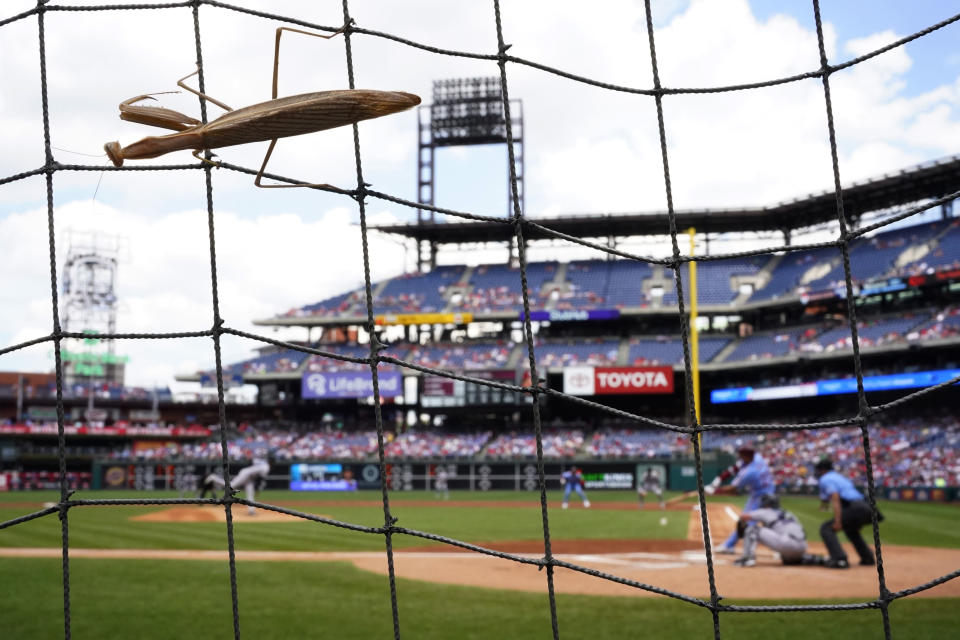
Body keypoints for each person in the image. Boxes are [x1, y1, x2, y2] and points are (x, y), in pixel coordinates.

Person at [814, 458, 882, 569]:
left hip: (854, 507)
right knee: (851, 530)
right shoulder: (839, 477)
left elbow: (835, 497)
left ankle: (839, 559)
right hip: (867, 507)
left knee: (826, 528)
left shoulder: (825, 479)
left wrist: (838, 521)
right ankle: (867, 558)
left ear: (822, 470)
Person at [707, 445, 775, 554]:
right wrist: (719, 479)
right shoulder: (757, 457)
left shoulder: (749, 472)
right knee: (767, 520)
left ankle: (732, 547)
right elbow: (735, 468)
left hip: (760, 495)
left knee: (747, 521)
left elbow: (733, 489)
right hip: (770, 491)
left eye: (741, 455)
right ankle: (729, 545)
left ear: (746, 456)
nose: (740, 457)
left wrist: (714, 490)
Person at [732, 494, 826, 567]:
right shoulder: (789, 513)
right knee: (787, 559)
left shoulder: (766, 511)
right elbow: (802, 530)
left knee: (753, 529)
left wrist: (742, 527)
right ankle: (809, 559)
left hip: (786, 544)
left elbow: (744, 517)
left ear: (767, 503)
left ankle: (748, 558)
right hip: (802, 546)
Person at [199, 456, 270, 516]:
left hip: (249, 476)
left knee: (250, 493)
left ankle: (251, 510)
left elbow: (251, 461)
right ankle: (213, 477)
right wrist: (258, 489)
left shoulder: (262, 462)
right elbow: (261, 479)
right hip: (246, 475)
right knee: (231, 485)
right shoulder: (266, 467)